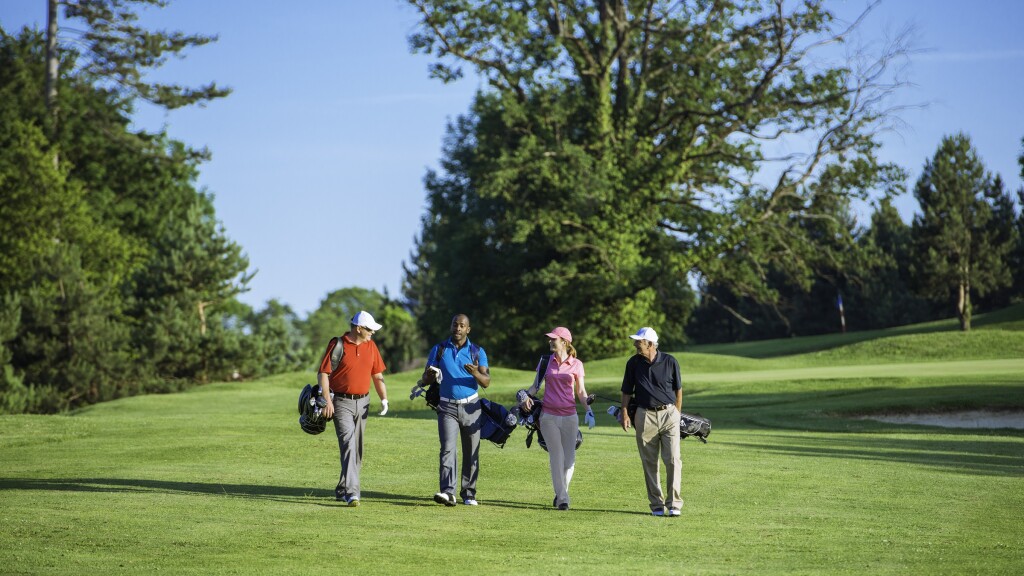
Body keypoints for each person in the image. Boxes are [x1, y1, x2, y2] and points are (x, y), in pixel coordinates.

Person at [317, 311, 389, 506]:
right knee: (348, 444)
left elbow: (377, 375)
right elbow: (323, 373)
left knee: (357, 450)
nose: (373, 332)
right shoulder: (337, 344)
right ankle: (352, 493)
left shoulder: (371, 346)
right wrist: (327, 400)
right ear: (359, 328)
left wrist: (384, 399)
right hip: (341, 402)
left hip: (363, 402)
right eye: (370, 329)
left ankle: (342, 488)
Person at [519, 326, 594, 511]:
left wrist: (589, 410)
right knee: (557, 456)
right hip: (548, 417)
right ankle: (562, 499)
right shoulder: (545, 361)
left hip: (570, 417)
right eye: (550, 338)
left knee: (569, 461)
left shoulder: (577, 364)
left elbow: (581, 391)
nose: (550, 341)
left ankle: (562, 491)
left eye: (554, 339)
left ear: (565, 342)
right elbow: (535, 387)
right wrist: (524, 396)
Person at [420, 314, 490, 506]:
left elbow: (487, 381)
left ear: (468, 329)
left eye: (462, 326)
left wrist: (475, 372)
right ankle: (448, 492)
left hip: (471, 407)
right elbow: (426, 379)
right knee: (447, 448)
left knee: (471, 451)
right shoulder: (439, 349)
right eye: (454, 324)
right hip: (446, 406)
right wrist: (429, 375)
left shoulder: (477, 351)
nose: (457, 328)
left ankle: (469, 493)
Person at [619, 326, 683, 517]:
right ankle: (656, 504)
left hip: (669, 414)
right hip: (644, 415)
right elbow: (626, 391)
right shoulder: (633, 363)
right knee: (649, 462)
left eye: (638, 341)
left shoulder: (670, 361)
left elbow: (678, 390)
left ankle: (674, 504)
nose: (635, 344)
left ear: (650, 343)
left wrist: (676, 413)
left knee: (672, 459)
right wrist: (624, 413)